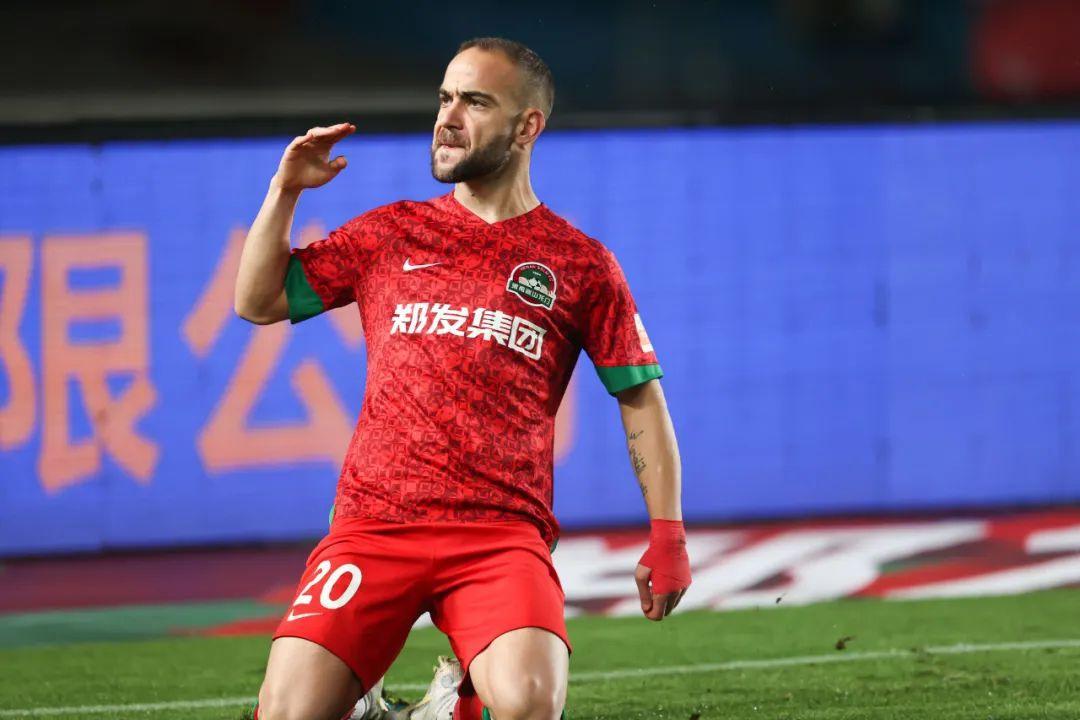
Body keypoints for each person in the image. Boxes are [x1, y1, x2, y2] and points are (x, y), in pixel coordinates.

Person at [234, 37, 691, 720]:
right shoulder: (391, 233)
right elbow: (258, 300)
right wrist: (285, 190)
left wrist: (668, 533)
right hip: (374, 527)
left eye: (475, 102)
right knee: (288, 713)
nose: (447, 118)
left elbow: (639, 396)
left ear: (527, 126)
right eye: (445, 98)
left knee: (530, 705)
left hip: (499, 535)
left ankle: (455, 707)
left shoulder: (580, 263)